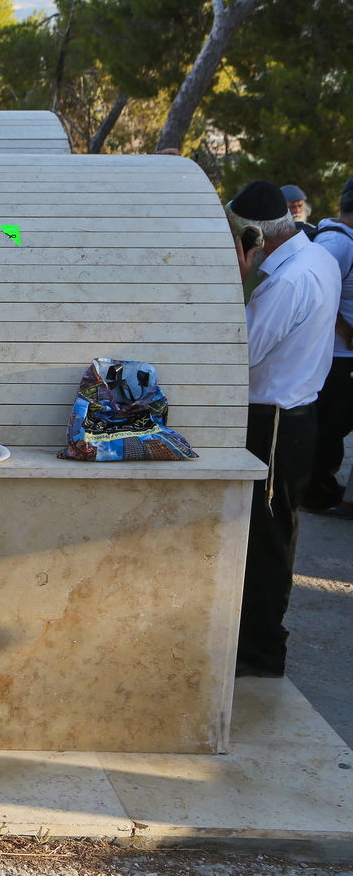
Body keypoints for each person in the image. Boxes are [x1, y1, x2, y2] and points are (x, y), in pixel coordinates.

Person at [227, 180, 341, 678]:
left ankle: (260, 650)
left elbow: (243, 353)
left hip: (273, 421)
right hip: (294, 415)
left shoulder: (286, 283)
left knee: (267, 539)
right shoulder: (318, 258)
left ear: (255, 235)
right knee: (273, 533)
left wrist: (239, 281)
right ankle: (258, 641)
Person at [304, 176, 353, 517]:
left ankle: (319, 489)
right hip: (338, 355)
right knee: (330, 427)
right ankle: (316, 494)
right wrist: (345, 329)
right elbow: (317, 288)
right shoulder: (337, 242)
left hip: (343, 355)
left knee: (334, 425)